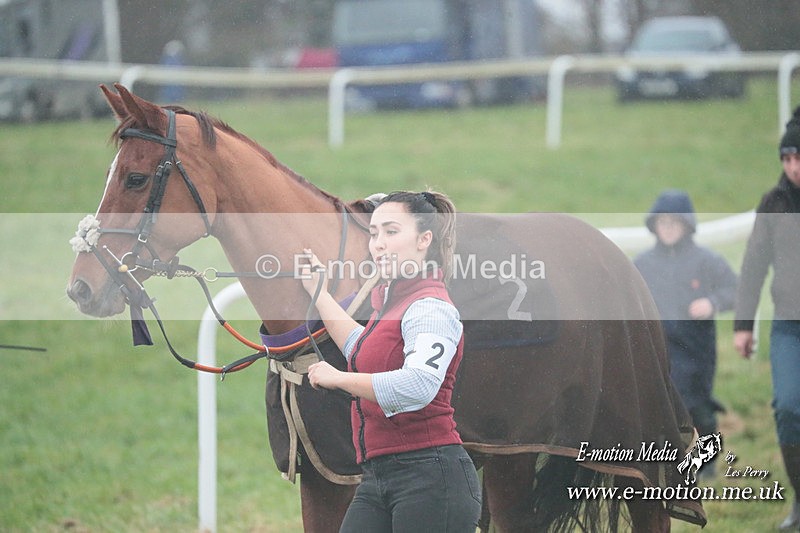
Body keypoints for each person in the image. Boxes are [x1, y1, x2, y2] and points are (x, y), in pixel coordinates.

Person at [299, 190, 481, 532]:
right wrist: (319, 294)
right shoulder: (393, 305)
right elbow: (359, 348)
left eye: (392, 232)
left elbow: (417, 386)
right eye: (374, 233)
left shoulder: (430, 307)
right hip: (378, 478)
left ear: (424, 239)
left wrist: (338, 378)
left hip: (431, 481)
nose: (378, 243)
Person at [634, 190, 737, 474]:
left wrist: (712, 302)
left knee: (697, 404)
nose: (667, 228)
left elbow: (736, 290)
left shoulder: (705, 261)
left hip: (695, 348)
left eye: (674, 222)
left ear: (687, 224)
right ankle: (663, 462)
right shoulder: (642, 264)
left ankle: (706, 462)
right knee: (661, 403)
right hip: (657, 347)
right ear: (653, 224)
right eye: (662, 222)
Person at [734, 106, 800, 530]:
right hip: (789, 328)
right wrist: (743, 326)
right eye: (787, 159)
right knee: (789, 408)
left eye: (799, 158)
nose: (793, 167)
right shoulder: (773, 204)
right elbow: (753, 266)